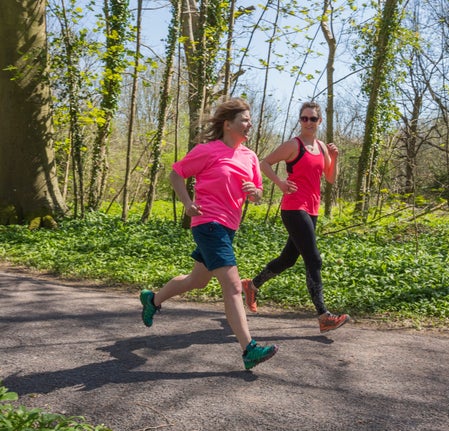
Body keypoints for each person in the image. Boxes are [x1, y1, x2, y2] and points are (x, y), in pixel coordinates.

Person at [139, 98, 277, 370]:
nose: (249, 124)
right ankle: (249, 349)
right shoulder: (208, 151)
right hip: (208, 223)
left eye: (250, 120)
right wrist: (187, 203)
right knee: (234, 286)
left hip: (229, 227)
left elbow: (259, 194)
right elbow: (176, 174)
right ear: (228, 125)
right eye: (244, 120)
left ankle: (152, 299)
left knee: (197, 280)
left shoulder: (249, 156)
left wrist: (255, 193)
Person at [241, 101, 350, 333]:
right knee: (314, 259)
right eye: (304, 118)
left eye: (312, 119)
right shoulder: (293, 145)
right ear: (300, 121)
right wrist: (280, 183)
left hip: (312, 210)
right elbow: (265, 163)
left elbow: (330, 178)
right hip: (293, 207)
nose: (308, 122)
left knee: (288, 259)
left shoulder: (321, 147)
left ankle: (252, 284)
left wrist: (334, 157)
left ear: (319, 121)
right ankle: (323, 315)